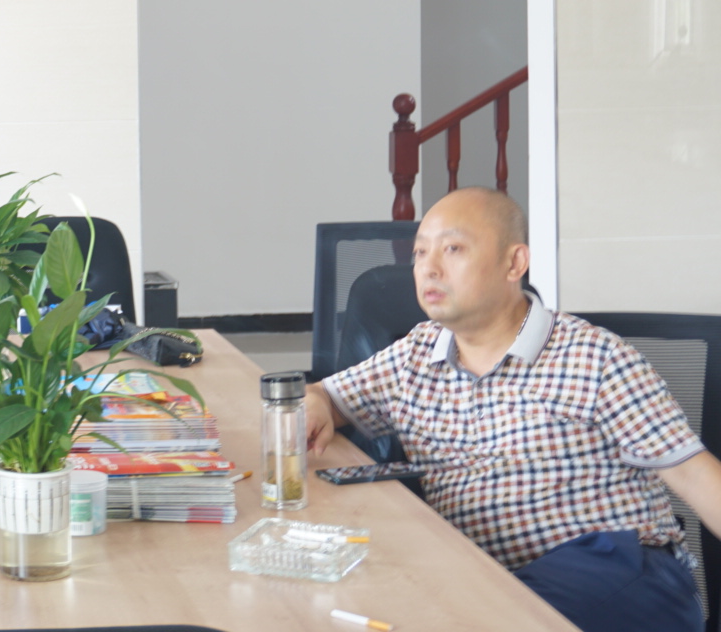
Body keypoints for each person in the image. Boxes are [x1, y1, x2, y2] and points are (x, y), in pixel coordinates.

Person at [306, 186, 721, 632]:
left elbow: (697, 477)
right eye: (420, 253)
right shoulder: (415, 354)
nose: (429, 267)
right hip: (490, 576)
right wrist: (314, 404)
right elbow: (326, 396)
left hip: (614, 565)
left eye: (452, 249)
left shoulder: (596, 356)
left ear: (514, 263)